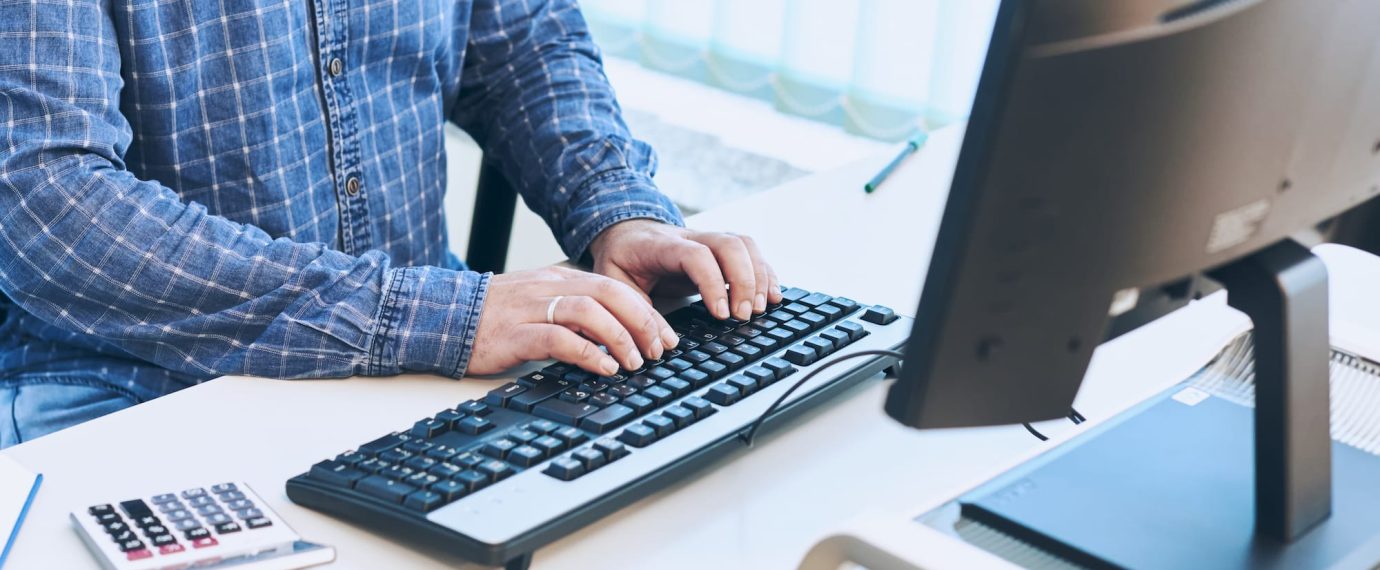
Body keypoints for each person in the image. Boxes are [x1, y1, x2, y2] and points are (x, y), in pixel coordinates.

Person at [0, 0, 781, 446]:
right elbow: (44, 200)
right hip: (130, 384)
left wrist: (616, 209)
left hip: (421, 358)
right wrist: (434, 317)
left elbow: (519, 41)